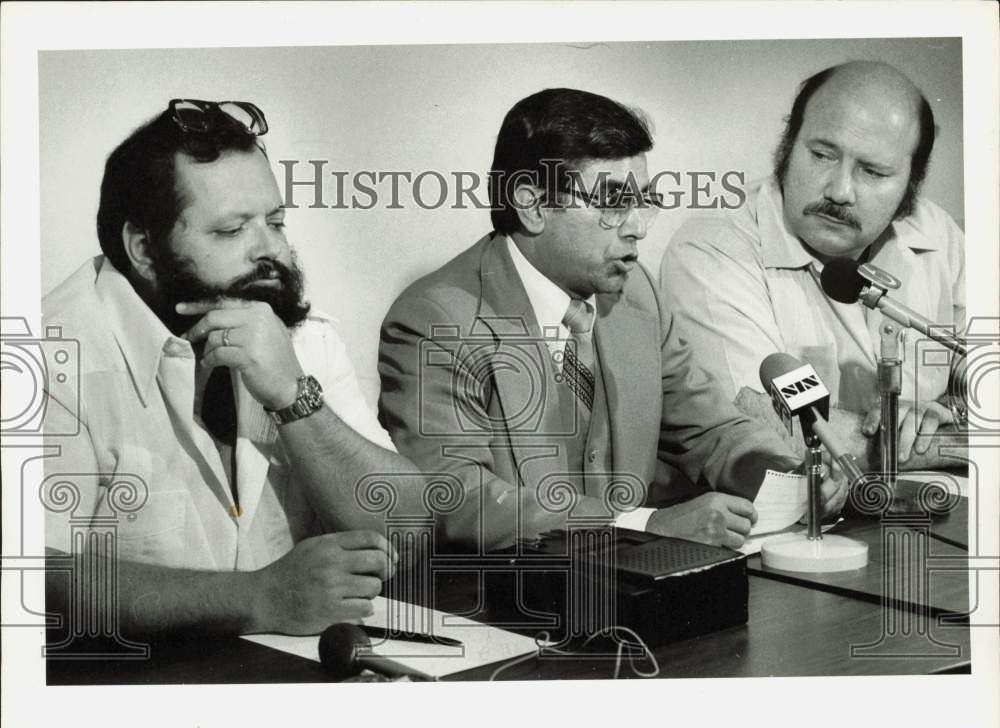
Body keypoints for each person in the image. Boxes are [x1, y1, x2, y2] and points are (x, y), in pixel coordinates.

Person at [378, 88, 843, 553]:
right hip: (501, 600)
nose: (638, 226)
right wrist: (643, 524)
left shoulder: (636, 293)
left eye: (644, 202)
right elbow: (456, 499)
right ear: (533, 205)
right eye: (614, 203)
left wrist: (785, 474)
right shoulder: (434, 320)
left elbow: (712, 429)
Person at [42, 99, 423, 636]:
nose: (272, 252)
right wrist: (259, 597)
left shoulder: (302, 337)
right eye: (229, 231)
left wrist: (294, 395)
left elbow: (408, 529)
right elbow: (30, 575)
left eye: (275, 221)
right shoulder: (48, 361)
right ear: (144, 250)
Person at [662, 61, 965, 469]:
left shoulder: (938, 234)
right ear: (788, 147)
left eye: (873, 172)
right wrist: (954, 445)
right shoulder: (710, 249)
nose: (840, 191)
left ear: (911, 183)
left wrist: (936, 417)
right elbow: (767, 428)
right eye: (822, 154)